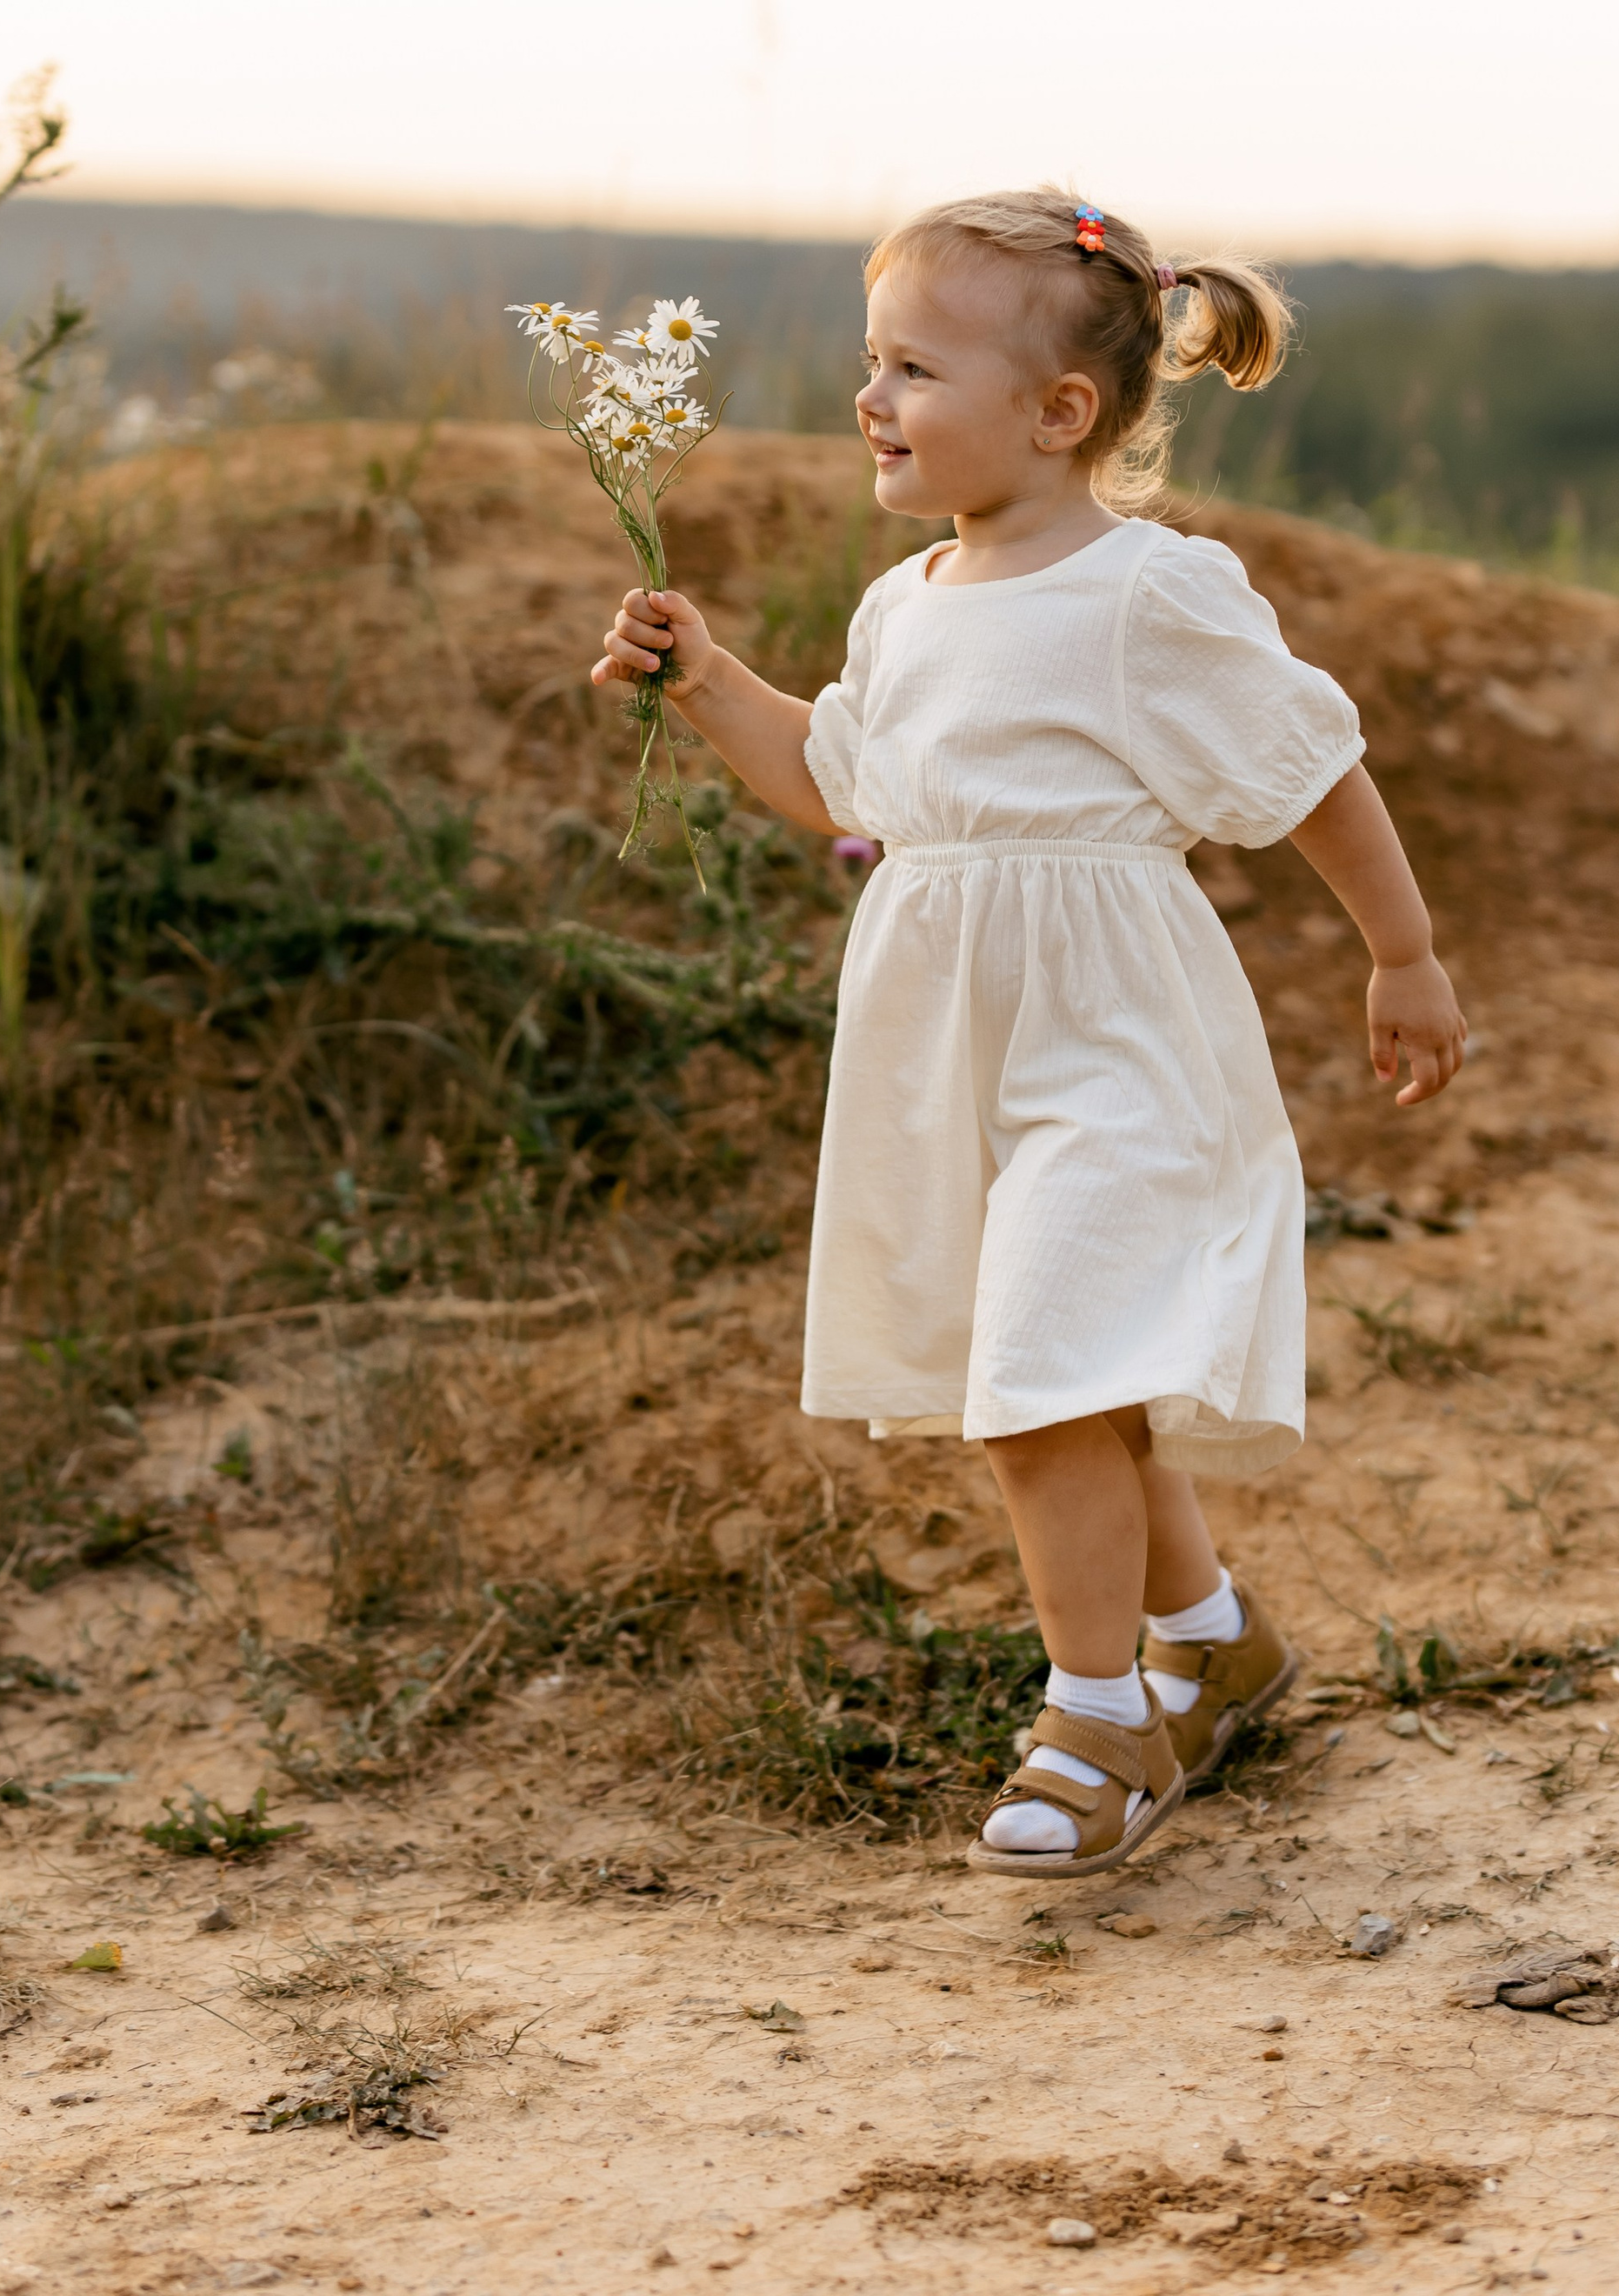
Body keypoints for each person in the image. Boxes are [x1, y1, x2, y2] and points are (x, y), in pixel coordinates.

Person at [591, 188, 1464, 1878]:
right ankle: (1210, 1644)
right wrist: (703, 676)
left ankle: (1096, 1717)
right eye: (871, 360)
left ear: (1058, 412)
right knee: (1061, 1369)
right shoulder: (901, 602)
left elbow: (1307, 769)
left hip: (1110, 1040)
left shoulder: (1150, 594)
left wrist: (1401, 954)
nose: (869, 398)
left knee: (1040, 1382)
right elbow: (832, 782)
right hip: (942, 1048)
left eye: (912, 367)